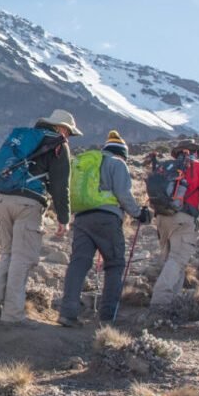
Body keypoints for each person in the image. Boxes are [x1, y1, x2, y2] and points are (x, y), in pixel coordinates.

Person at [0, 109, 78, 324]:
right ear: (61, 128)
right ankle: (13, 314)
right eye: (68, 131)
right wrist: (64, 218)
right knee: (22, 259)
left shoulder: (22, 140)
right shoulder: (58, 145)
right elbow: (61, 186)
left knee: (8, 253)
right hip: (29, 203)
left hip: (3, 201)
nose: (68, 136)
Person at [56, 131, 150, 326]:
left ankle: (67, 312)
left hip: (82, 218)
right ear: (122, 153)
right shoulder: (117, 163)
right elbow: (123, 194)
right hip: (107, 218)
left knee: (79, 263)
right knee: (115, 264)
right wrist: (138, 213)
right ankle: (108, 316)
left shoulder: (89, 164)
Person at [149, 140, 199, 311]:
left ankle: (171, 301)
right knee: (177, 260)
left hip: (161, 218)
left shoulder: (164, 168)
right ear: (196, 152)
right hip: (184, 218)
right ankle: (159, 303)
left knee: (170, 260)